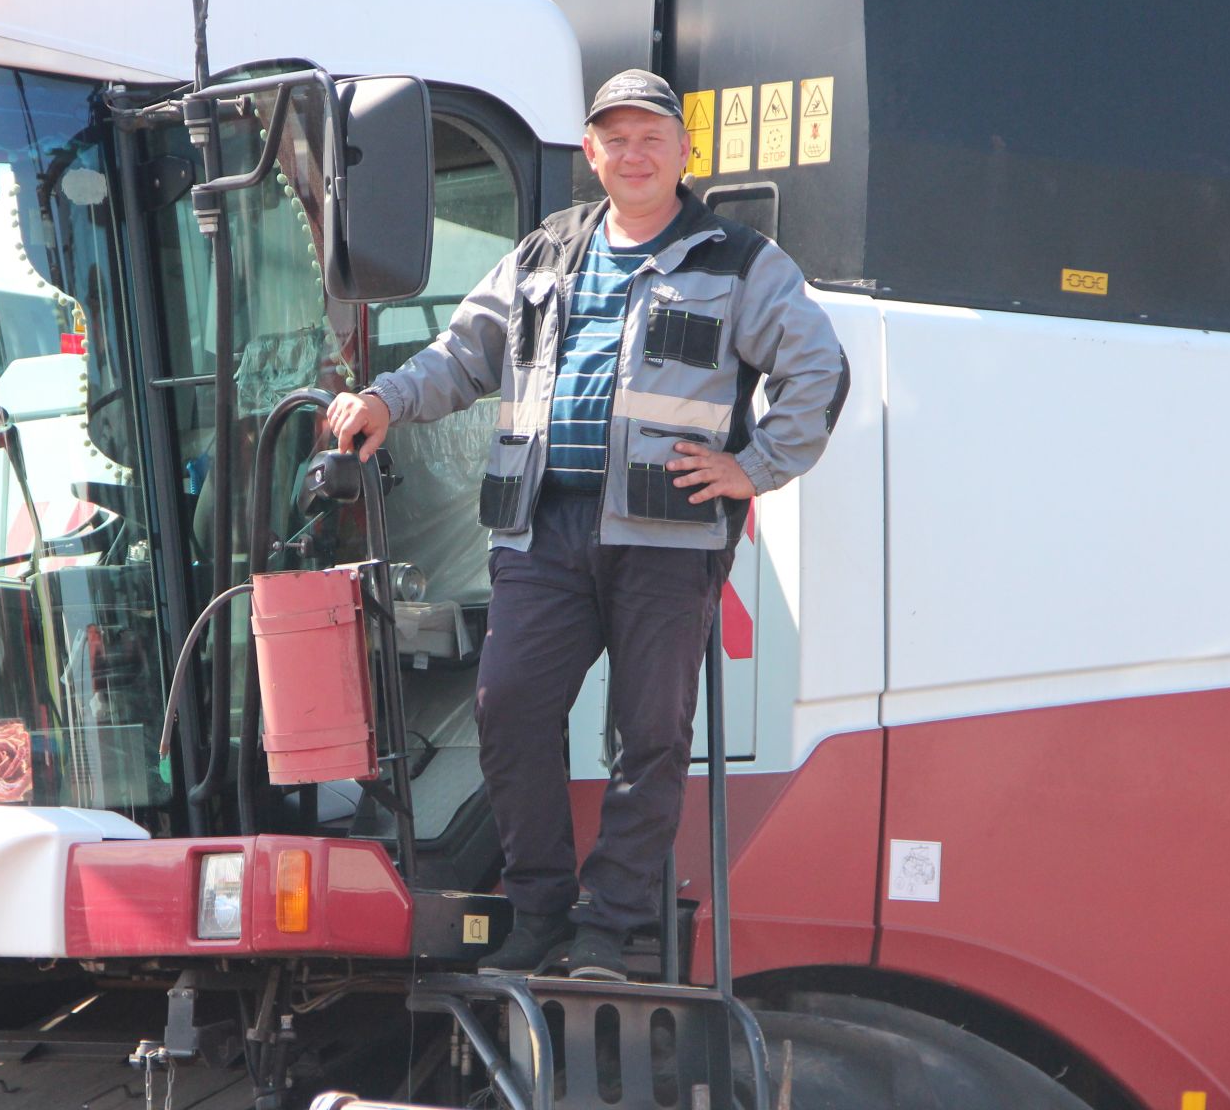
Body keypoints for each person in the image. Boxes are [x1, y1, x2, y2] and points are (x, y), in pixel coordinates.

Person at [328, 69, 845, 980]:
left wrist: (750, 468)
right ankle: (538, 914)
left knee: (649, 737)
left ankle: (609, 930)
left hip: (668, 539)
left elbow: (818, 374)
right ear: (593, 152)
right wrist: (384, 399)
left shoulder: (738, 259)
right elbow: (463, 355)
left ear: (685, 151)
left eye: (652, 136)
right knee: (510, 708)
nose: (634, 152)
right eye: (615, 137)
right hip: (541, 531)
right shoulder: (544, 254)